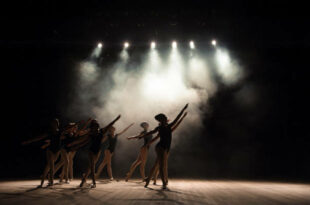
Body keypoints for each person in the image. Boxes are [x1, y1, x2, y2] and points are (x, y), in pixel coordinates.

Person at [136, 103, 188, 189]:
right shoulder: (159, 128)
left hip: (165, 148)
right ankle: (164, 183)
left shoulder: (169, 125)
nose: (166, 119)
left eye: (165, 118)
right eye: (164, 118)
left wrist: (183, 109)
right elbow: (151, 132)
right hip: (160, 148)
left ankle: (148, 180)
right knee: (161, 165)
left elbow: (177, 118)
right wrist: (141, 136)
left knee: (156, 164)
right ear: (162, 120)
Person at [69, 115, 121, 188]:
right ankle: (94, 183)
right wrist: (75, 145)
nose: (96, 127)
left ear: (98, 126)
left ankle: (83, 180)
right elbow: (84, 141)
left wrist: (115, 119)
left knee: (90, 168)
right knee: (92, 167)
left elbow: (109, 125)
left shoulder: (101, 131)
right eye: (94, 126)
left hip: (98, 151)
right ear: (92, 127)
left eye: (97, 126)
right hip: (91, 151)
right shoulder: (91, 134)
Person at [22, 118, 63, 187]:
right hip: (50, 150)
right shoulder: (50, 132)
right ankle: (49, 182)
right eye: (53, 123)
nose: (54, 124)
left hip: (57, 150)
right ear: (51, 124)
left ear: (58, 124)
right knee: (51, 166)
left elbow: (67, 132)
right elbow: (39, 137)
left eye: (56, 123)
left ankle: (43, 180)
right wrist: (29, 141)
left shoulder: (60, 131)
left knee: (48, 166)